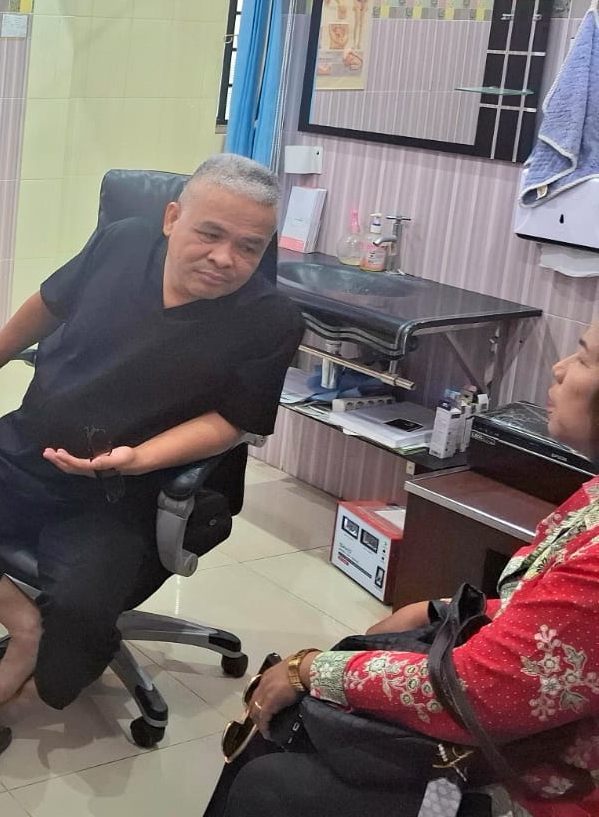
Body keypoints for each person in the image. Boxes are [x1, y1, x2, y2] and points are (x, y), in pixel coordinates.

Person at [0, 154, 303, 792]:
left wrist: (139, 458)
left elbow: (234, 421)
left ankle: (15, 695)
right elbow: (51, 302)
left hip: (125, 495)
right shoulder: (122, 243)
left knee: (80, 617)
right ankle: (25, 629)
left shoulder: (270, 319)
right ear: (172, 218)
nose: (225, 258)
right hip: (24, 450)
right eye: (210, 234)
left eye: (249, 247)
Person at [219, 320, 599, 817]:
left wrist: (307, 669)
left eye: (584, 359)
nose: (560, 368)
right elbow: (557, 622)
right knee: (294, 733)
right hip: (522, 727)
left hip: (548, 781)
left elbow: (475, 693)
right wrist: (439, 609)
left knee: (273, 783)